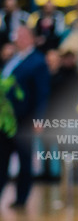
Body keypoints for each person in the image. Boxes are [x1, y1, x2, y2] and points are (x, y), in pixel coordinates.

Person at [0, 25, 50, 207]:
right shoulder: (12, 58)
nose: (17, 38)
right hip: (6, 119)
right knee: (2, 158)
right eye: (16, 35)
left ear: (31, 38)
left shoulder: (37, 61)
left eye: (22, 35)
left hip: (24, 118)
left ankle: (22, 198)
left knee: (24, 158)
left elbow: (42, 93)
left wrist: (39, 118)